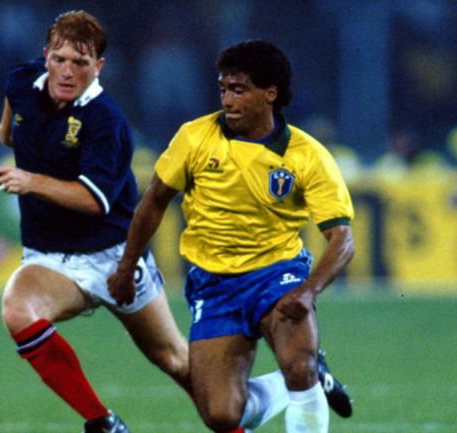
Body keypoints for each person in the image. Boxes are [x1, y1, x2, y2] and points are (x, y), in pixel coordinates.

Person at [0, 13, 350, 432]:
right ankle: (103, 421)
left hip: (123, 255)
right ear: (45, 56)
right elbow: (10, 132)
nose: (68, 71)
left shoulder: (106, 121)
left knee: (184, 360)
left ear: (99, 67)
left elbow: (94, 200)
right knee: (18, 310)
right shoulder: (23, 83)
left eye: (81, 63)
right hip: (67, 260)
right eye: (60, 59)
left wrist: (33, 181)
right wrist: (21, 138)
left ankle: (303, 375)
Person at [108, 40, 355, 433]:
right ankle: (307, 378)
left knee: (298, 365)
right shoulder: (195, 137)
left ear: (269, 94)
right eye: (223, 89)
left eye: (238, 90)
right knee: (223, 416)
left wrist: (309, 291)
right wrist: (126, 267)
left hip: (277, 273)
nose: (226, 100)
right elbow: (153, 201)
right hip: (215, 283)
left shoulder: (307, 155)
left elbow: (342, 238)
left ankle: (306, 373)